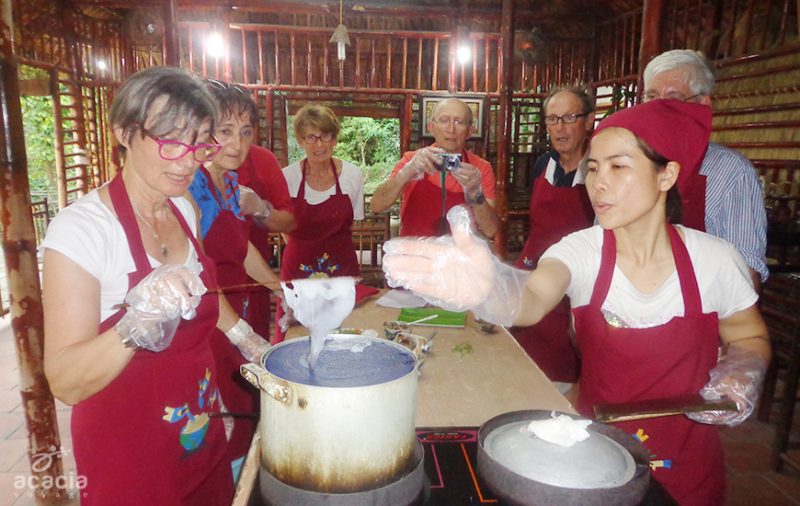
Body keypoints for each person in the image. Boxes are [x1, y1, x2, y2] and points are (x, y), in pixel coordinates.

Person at [382, 99, 771, 506]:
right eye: (594, 168)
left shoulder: (714, 259)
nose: (598, 183)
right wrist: (490, 286)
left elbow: (748, 333)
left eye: (618, 167)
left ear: (666, 175)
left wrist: (742, 373)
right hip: (593, 458)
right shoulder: (582, 250)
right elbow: (530, 298)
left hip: (689, 468)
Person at [41, 67, 240, 504]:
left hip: (199, 437)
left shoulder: (185, 208)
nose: (188, 160)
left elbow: (203, 293)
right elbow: (66, 382)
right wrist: (137, 322)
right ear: (125, 133)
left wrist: (250, 342)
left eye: (200, 143)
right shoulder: (82, 231)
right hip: (129, 457)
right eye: (172, 142)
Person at [186, 79, 281, 476]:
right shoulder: (191, 186)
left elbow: (242, 250)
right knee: (221, 418)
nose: (237, 144)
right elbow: (193, 271)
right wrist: (239, 333)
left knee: (245, 407)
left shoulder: (228, 183)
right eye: (225, 131)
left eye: (245, 132)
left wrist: (281, 288)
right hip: (210, 324)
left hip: (240, 313)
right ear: (202, 130)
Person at [643, 49, 768, 289]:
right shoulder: (628, 163)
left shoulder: (731, 171)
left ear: (702, 104)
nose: (659, 108)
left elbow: (745, 273)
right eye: (651, 96)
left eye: (674, 98)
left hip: (698, 313)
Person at [511, 87, 596, 383]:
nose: (559, 128)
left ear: (588, 121)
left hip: (575, 279)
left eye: (569, 117)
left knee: (566, 366)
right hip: (532, 268)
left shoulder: (599, 168)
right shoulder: (542, 164)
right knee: (522, 359)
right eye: (552, 119)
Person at [275, 104, 365, 342]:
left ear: (335, 138)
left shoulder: (353, 175)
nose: (320, 144)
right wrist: (302, 248)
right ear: (301, 141)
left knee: (343, 339)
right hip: (298, 271)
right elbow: (283, 227)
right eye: (311, 137)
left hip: (341, 271)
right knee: (296, 339)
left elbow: (351, 224)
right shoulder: (287, 177)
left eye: (326, 136)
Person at [370, 97, 499, 238]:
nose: (451, 129)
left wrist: (475, 192)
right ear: (431, 127)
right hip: (415, 253)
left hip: (461, 255)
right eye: (444, 120)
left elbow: (491, 230)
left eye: (459, 122)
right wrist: (405, 173)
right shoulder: (411, 160)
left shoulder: (481, 168)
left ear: (470, 131)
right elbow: (376, 206)